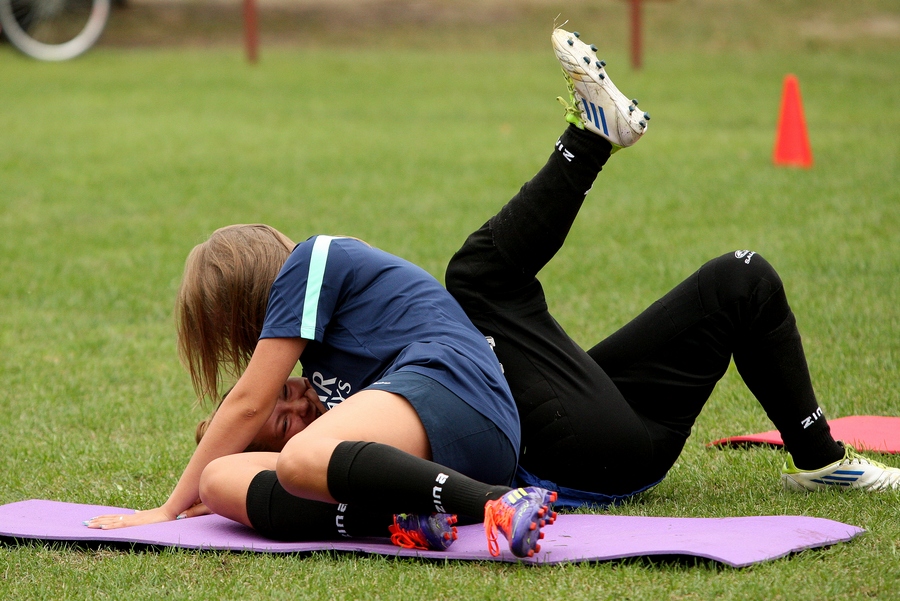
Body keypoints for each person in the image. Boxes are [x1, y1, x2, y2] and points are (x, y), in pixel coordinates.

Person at [199, 27, 899, 508]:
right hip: (556, 447)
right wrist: (179, 499)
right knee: (476, 276)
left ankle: (822, 458)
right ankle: (589, 138)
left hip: (599, 420)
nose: (293, 398)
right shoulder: (343, 439)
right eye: (286, 415)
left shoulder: (340, 337)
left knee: (741, 277)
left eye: (290, 392)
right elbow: (253, 417)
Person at [84, 184, 560, 557]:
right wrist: (200, 492)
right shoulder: (325, 355)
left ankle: (498, 503)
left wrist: (167, 510)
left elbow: (249, 403)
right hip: (436, 456)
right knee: (218, 479)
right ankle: (406, 520)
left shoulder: (311, 260)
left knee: (300, 456)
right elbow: (255, 423)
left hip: (459, 392)